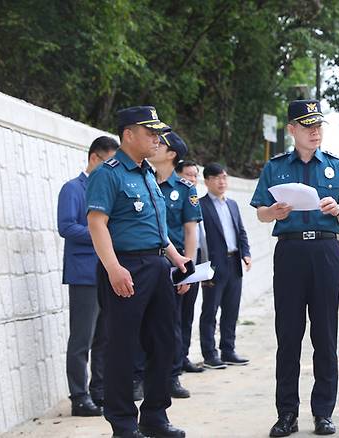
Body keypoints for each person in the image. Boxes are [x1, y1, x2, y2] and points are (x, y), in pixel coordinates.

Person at [250, 99, 339, 436]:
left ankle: (323, 412)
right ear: (292, 130)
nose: (315, 132)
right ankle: (286, 414)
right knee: (289, 335)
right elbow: (260, 212)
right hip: (291, 251)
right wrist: (275, 213)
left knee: (325, 334)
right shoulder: (276, 166)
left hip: (325, 250)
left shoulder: (337, 167)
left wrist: (338, 208)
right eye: (307, 126)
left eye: (318, 125)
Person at [86, 106, 191, 438]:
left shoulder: (148, 173)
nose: (158, 139)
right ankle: (123, 424)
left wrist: (177, 259)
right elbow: (96, 223)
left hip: (158, 266)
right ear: (128, 135)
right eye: (151, 133)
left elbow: (156, 228)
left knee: (165, 342)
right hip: (126, 268)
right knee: (123, 347)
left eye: (159, 133)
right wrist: (113, 267)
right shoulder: (109, 173)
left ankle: (155, 417)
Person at [58, 135, 118, 416]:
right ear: (94, 158)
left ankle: (99, 390)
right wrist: (100, 234)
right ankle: (79, 397)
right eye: (107, 162)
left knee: (104, 337)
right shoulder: (73, 189)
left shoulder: (105, 190)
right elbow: (67, 227)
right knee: (82, 338)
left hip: (107, 271)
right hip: (83, 274)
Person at [148, 132, 203, 397]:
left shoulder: (185, 188)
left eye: (161, 143)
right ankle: (140, 378)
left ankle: (171, 377)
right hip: (146, 259)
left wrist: (188, 273)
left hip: (175, 261)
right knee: (142, 321)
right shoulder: (143, 179)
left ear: (172, 154)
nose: (155, 144)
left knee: (172, 323)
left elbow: (190, 231)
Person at [199, 162, 251, 369]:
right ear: (207, 181)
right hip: (213, 266)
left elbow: (241, 231)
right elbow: (198, 238)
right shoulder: (201, 206)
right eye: (217, 178)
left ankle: (228, 350)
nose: (222, 182)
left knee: (231, 310)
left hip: (234, 262)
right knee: (210, 311)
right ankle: (210, 354)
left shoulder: (232, 204)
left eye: (224, 177)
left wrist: (246, 253)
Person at [175, 159, 205, 373]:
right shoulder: (172, 196)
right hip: (177, 264)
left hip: (194, 266)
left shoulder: (193, 201)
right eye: (188, 175)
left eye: (195, 175)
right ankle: (172, 364)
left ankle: (183, 356)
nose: (192, 179)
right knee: (173, 318)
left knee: (187, 316)